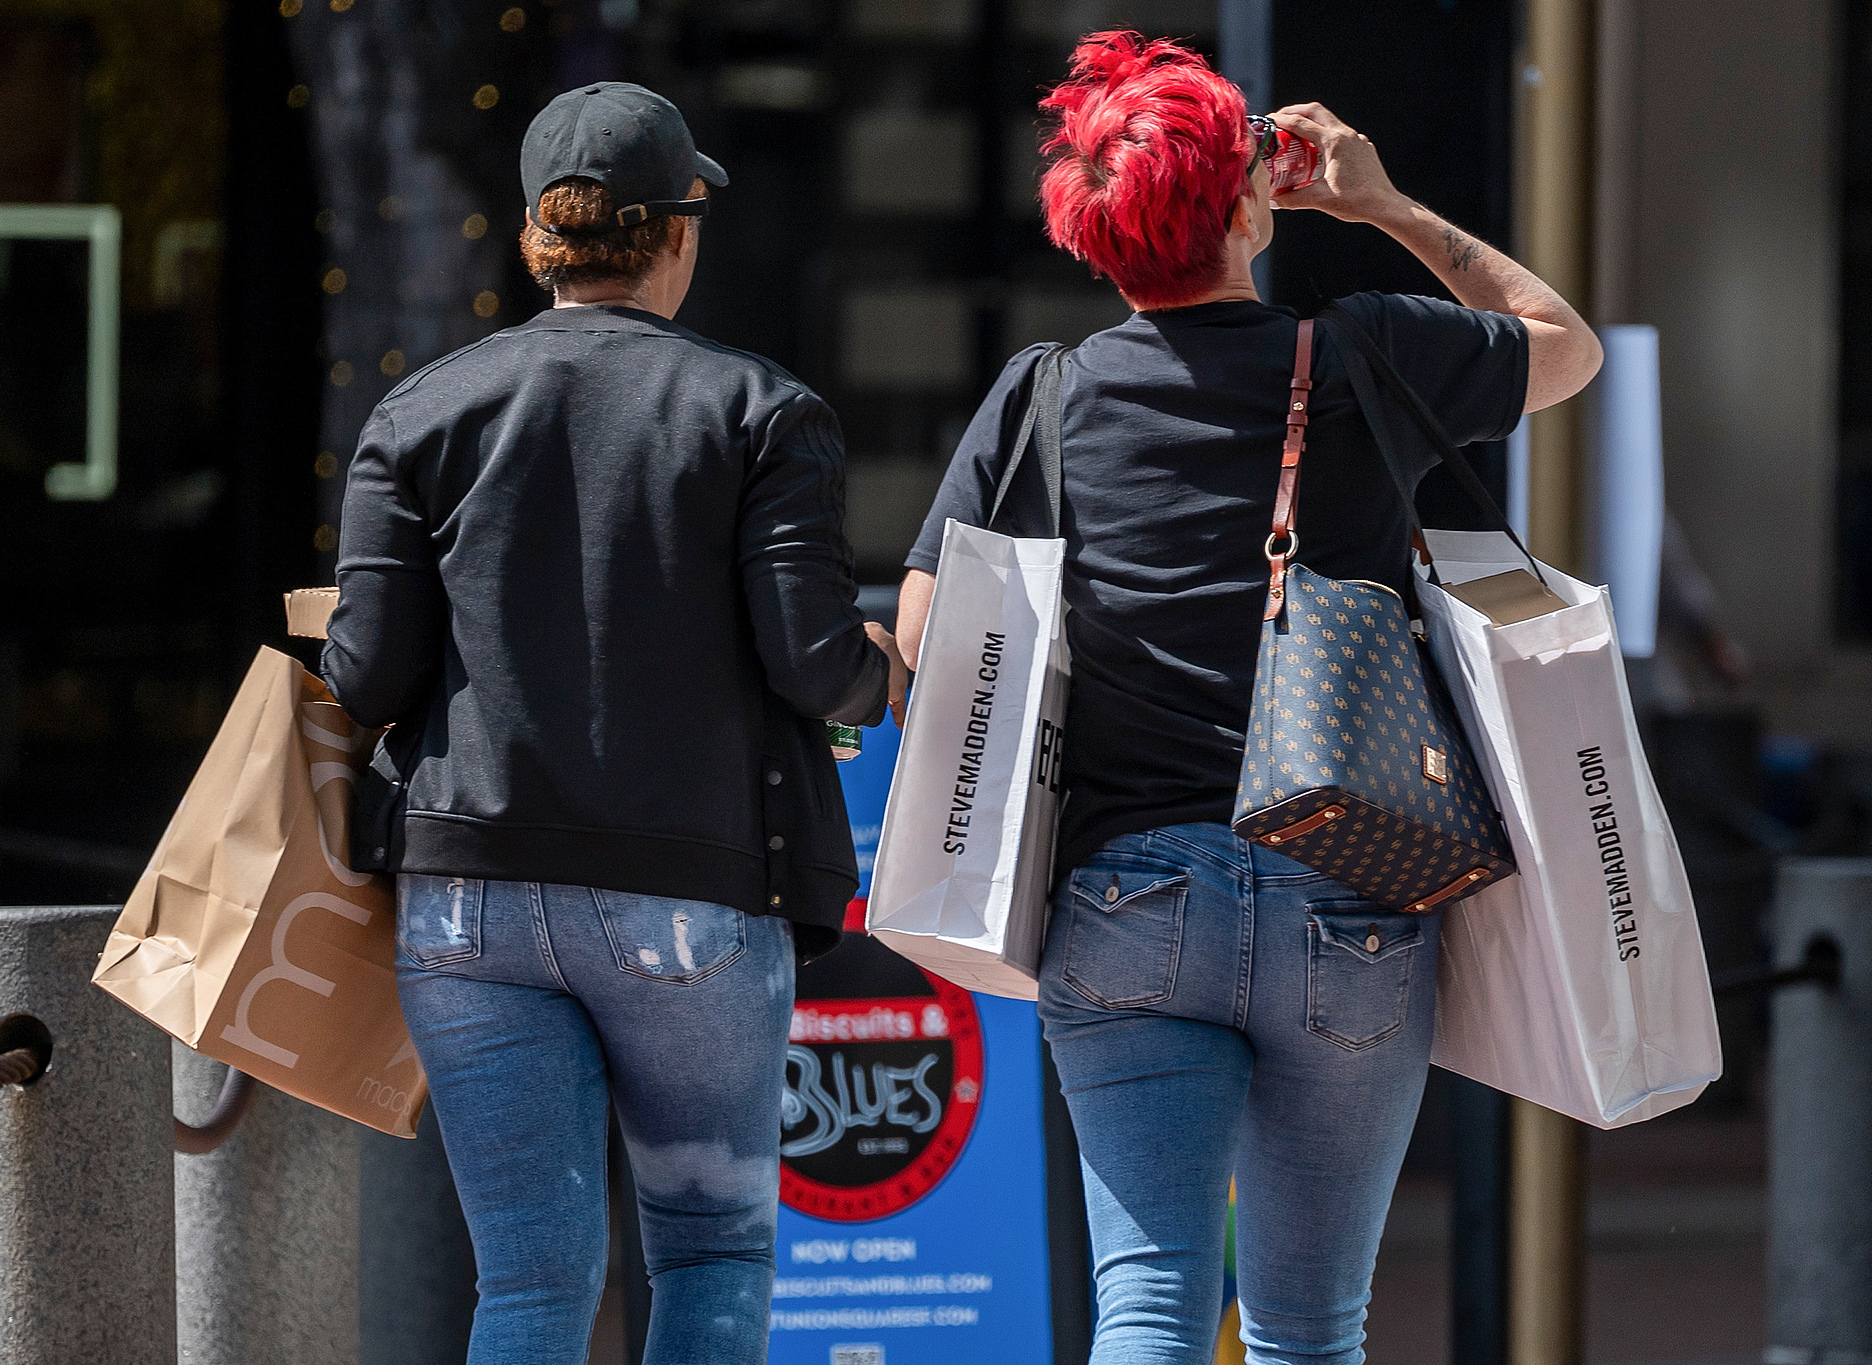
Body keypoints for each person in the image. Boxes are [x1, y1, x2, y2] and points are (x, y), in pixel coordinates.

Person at [895, 32, 1601, 1365]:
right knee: (1307, 1324)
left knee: (1149, 1299)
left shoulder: (1041, 396)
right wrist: (1382, 203)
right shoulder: (1363, 354)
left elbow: (931, 644)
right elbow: (1562, 349)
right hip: (1349, 884)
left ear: (1092, 232)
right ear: (1248, 205)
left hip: (1124, 899)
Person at [322, 81, 908, 1365]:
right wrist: (890, 668)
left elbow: (359, 678)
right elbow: (817, 669)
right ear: (679, 234)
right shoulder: (762, 413)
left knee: (527, 1288)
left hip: (467, 900)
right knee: (707, 1254)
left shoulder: (415, 415)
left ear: (539, 239)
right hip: (687, 902)